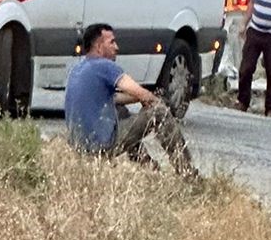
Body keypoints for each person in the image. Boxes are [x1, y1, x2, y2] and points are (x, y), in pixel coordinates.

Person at [64, 22, 196, 177]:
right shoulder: (105, 66)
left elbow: (114, 98)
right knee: (158, 111)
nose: (117, 47)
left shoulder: (79, 69)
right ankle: (187, 172)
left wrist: (137, 99)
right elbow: (139, 92)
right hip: (101, 146)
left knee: (122, 113)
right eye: (112, 42)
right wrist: (153, 98)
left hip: (80, 146)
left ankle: (150, 168)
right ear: (99, 47)